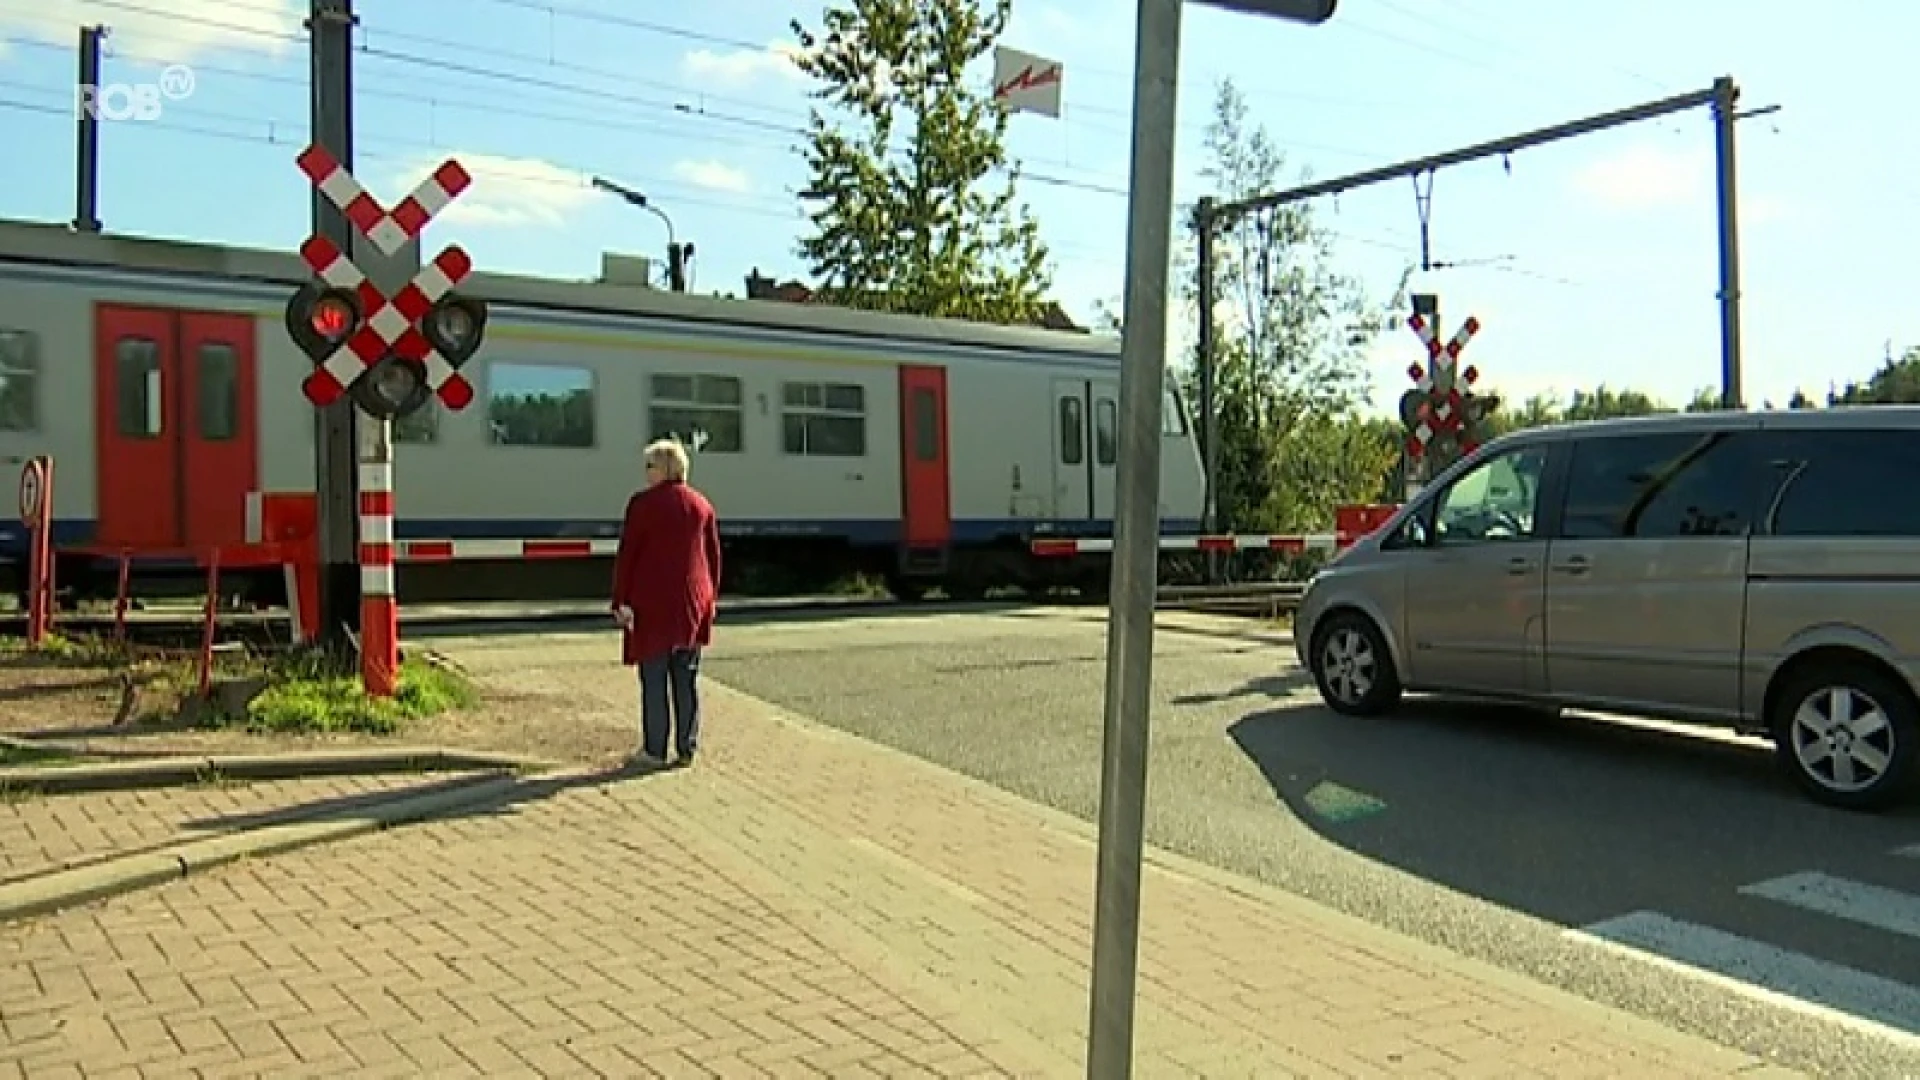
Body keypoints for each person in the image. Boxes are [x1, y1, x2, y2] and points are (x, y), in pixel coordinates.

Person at [610, 438, 722, 767]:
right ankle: (686, 748)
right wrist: (710, 598)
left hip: (652, 604)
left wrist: (620, 599)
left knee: (654, 679)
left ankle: (654, 751)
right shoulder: (702, 505)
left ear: (665, 468)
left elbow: (628, 554)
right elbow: (713, 557)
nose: (645, 472)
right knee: (686, 680)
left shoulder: (642, 504)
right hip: (691, 605)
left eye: (650, 465)